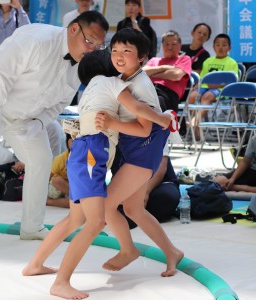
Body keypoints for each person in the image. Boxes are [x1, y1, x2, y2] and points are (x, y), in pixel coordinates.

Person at [0, 11, 110, 251]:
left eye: (98, 46)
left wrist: (38, 123)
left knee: (41, 159)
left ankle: (31, 226)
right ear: (73, 29)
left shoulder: (80, 65)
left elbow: (59, 104)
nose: (92, 49)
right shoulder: (38, 39)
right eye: (89, 41)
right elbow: (0, 73)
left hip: (24, 116)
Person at [22, 49, 172, 299]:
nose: (118, 60)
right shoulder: (111, 82)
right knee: (96, 222)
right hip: (93, 153)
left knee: (75, 220)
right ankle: (61, 282)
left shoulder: (88, 90)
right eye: (113, 56)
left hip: (83, 152)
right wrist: (163, 118)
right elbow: (137, 109)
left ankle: (34, 265)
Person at [99, 28, 184, 277]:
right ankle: (172, 252)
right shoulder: (126, 80)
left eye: (127, 51)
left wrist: (111, 123)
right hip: (138, 152)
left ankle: (128, 250)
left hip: (143, 151)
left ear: (142, 57)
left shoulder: (141, 85)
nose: (119, 55)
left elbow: (145, 129)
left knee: (106, 206)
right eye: (115, 50)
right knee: (134, 209)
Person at [188, 33, 238, 140]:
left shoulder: (232, 63)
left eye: (224, 45)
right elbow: (202, 79)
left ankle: (195, 121)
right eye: (218, 44)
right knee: (192, 96)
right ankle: (196, 129)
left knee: (208, 96)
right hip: (205, 86)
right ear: (213, 47)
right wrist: (196, 86)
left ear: (229, 48)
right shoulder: (208, 61)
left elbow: (232, 82)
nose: (220, 47)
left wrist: (215, 85)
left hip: (221, 89)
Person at [117, 143, 180, 229]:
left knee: (166, 198)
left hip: (158, 183)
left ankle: (139, 211)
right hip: (128, 186)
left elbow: (161, 168)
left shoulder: (157, 131)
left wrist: (145, 193)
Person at [143, 30, 192, 112]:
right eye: (167, 44)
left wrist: (152, 73)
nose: (170, 47)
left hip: (167, 94)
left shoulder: (184, 59)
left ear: (180, 46)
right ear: (162, 45)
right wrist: (165, 67)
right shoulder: (154, 60)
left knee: (153, 104)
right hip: (148, 90)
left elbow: (175, 75)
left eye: (173, 44)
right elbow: (142, 73)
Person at [46, 133, 73, 208]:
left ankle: (48, 202)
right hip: (58, 188)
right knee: (57, 180)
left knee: (74, 203)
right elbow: (50, 175)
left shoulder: (86, 158)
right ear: (67, 142)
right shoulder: (61, 158)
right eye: (73, 141)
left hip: (71, 187)